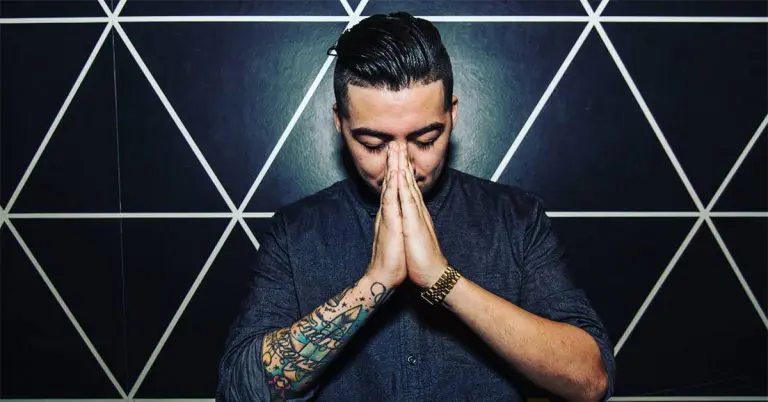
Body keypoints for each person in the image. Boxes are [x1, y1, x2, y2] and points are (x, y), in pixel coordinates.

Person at [217, 11, 615, 402]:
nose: (401, 165)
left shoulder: (516, 218)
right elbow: (239, 389)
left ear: (452, 115)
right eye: (373, 144)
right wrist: (376, 283)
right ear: (340, 122)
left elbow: (590, 381)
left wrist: (442, 280)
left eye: (425, 140)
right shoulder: (295, 232)